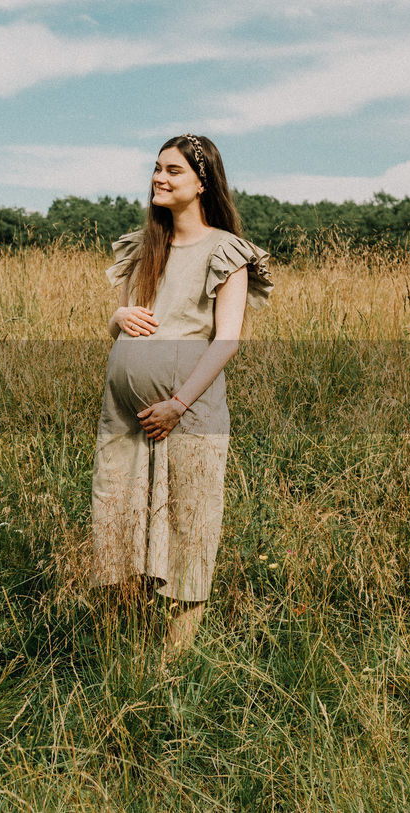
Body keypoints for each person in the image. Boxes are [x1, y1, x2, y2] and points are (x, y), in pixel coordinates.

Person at [90, 133, 272, 662]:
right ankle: (123, 660)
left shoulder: (225, 251)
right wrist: (116, 318)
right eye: (156, 169)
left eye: (172, 170)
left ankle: (173, 673)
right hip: (124, 420)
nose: (159, 178)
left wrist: (178, 404)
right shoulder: (143, 246)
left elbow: (228, 338)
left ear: (202, 181)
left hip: (186, 417)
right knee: (118, 527)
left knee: (187, 532)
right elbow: (122, 319)